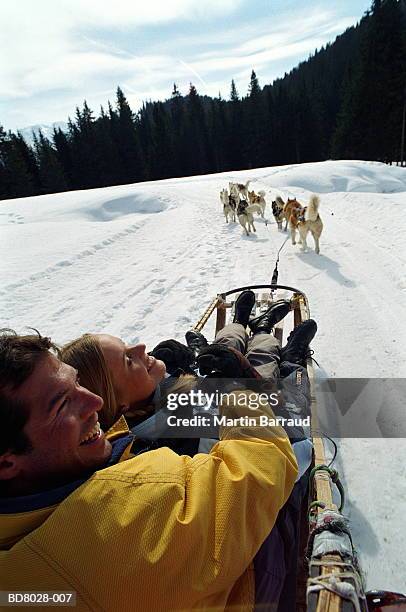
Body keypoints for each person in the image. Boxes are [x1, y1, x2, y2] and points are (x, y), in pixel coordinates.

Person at [0, 322, 298, 611]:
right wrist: (238, 389)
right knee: (263, 357)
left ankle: (237, 328)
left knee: (227, 344)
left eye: (77, 382)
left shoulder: (62, 470)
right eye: (62, 404)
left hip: (198, 404)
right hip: (256, 563)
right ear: (7, 462)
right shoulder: (122, 527)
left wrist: (173, 368)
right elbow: (261, 459)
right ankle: (268, 337)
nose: (95, 402)